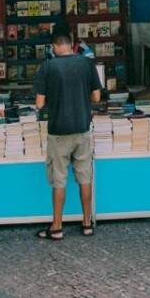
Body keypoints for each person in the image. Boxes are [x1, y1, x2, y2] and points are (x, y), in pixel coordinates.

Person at [34, 26, 102, 240]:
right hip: (82, 127)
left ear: (54, 46)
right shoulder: (86, 63)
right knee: (84, 176)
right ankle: (87, 223)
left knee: (59, 179)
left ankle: (56, 227)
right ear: (71, 44)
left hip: (58, 130)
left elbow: (39, 102)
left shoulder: (47, 67)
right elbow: (97, 98)